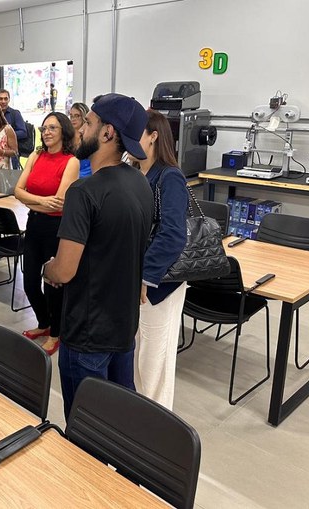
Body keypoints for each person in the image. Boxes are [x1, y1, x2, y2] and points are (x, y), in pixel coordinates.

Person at [43, 93, 153, 418]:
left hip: (87, 335)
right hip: (123, 328)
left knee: (84, 431)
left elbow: (64, 271)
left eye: (88, 123)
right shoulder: (141, 184)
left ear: (108, 133)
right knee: (118, 423)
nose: (80, 130)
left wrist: (47, 268)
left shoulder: (83, 192)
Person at [131, 109, 188, 410]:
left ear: (153, 137)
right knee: (138, 353)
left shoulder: (170, 177)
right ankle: (139, 414)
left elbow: (173, 235)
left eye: (137, 132)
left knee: (155, 359)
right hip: (135, 276)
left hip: (159, 282)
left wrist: (145, 276)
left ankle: (154, 425)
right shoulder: (134, 172)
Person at [14, 112, 79, 355]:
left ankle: (56, 333)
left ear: (63, 131)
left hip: (56, 229)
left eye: (53, 127)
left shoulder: (70, 161)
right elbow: (17, 190)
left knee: (53, 285)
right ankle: (44, 323)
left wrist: (29, 200)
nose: (47, 132)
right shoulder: (35, 155)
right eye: (44, 128)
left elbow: (60, 203)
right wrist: (39, 202)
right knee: (30, 281)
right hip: (34, 225)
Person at [0, 89, 27, 168]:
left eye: (6, 98)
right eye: (0, 99)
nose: (3, 101)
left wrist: (6, 135)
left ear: (9, 99)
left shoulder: (14, 114)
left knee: (11, 179)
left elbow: (23, 132)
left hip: (11, 156)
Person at [69, 102, 93, 178]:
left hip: (86, 176)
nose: (73, 119)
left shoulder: (90, 138)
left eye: (77, 116)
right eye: (71, 116)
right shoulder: (67, 137)